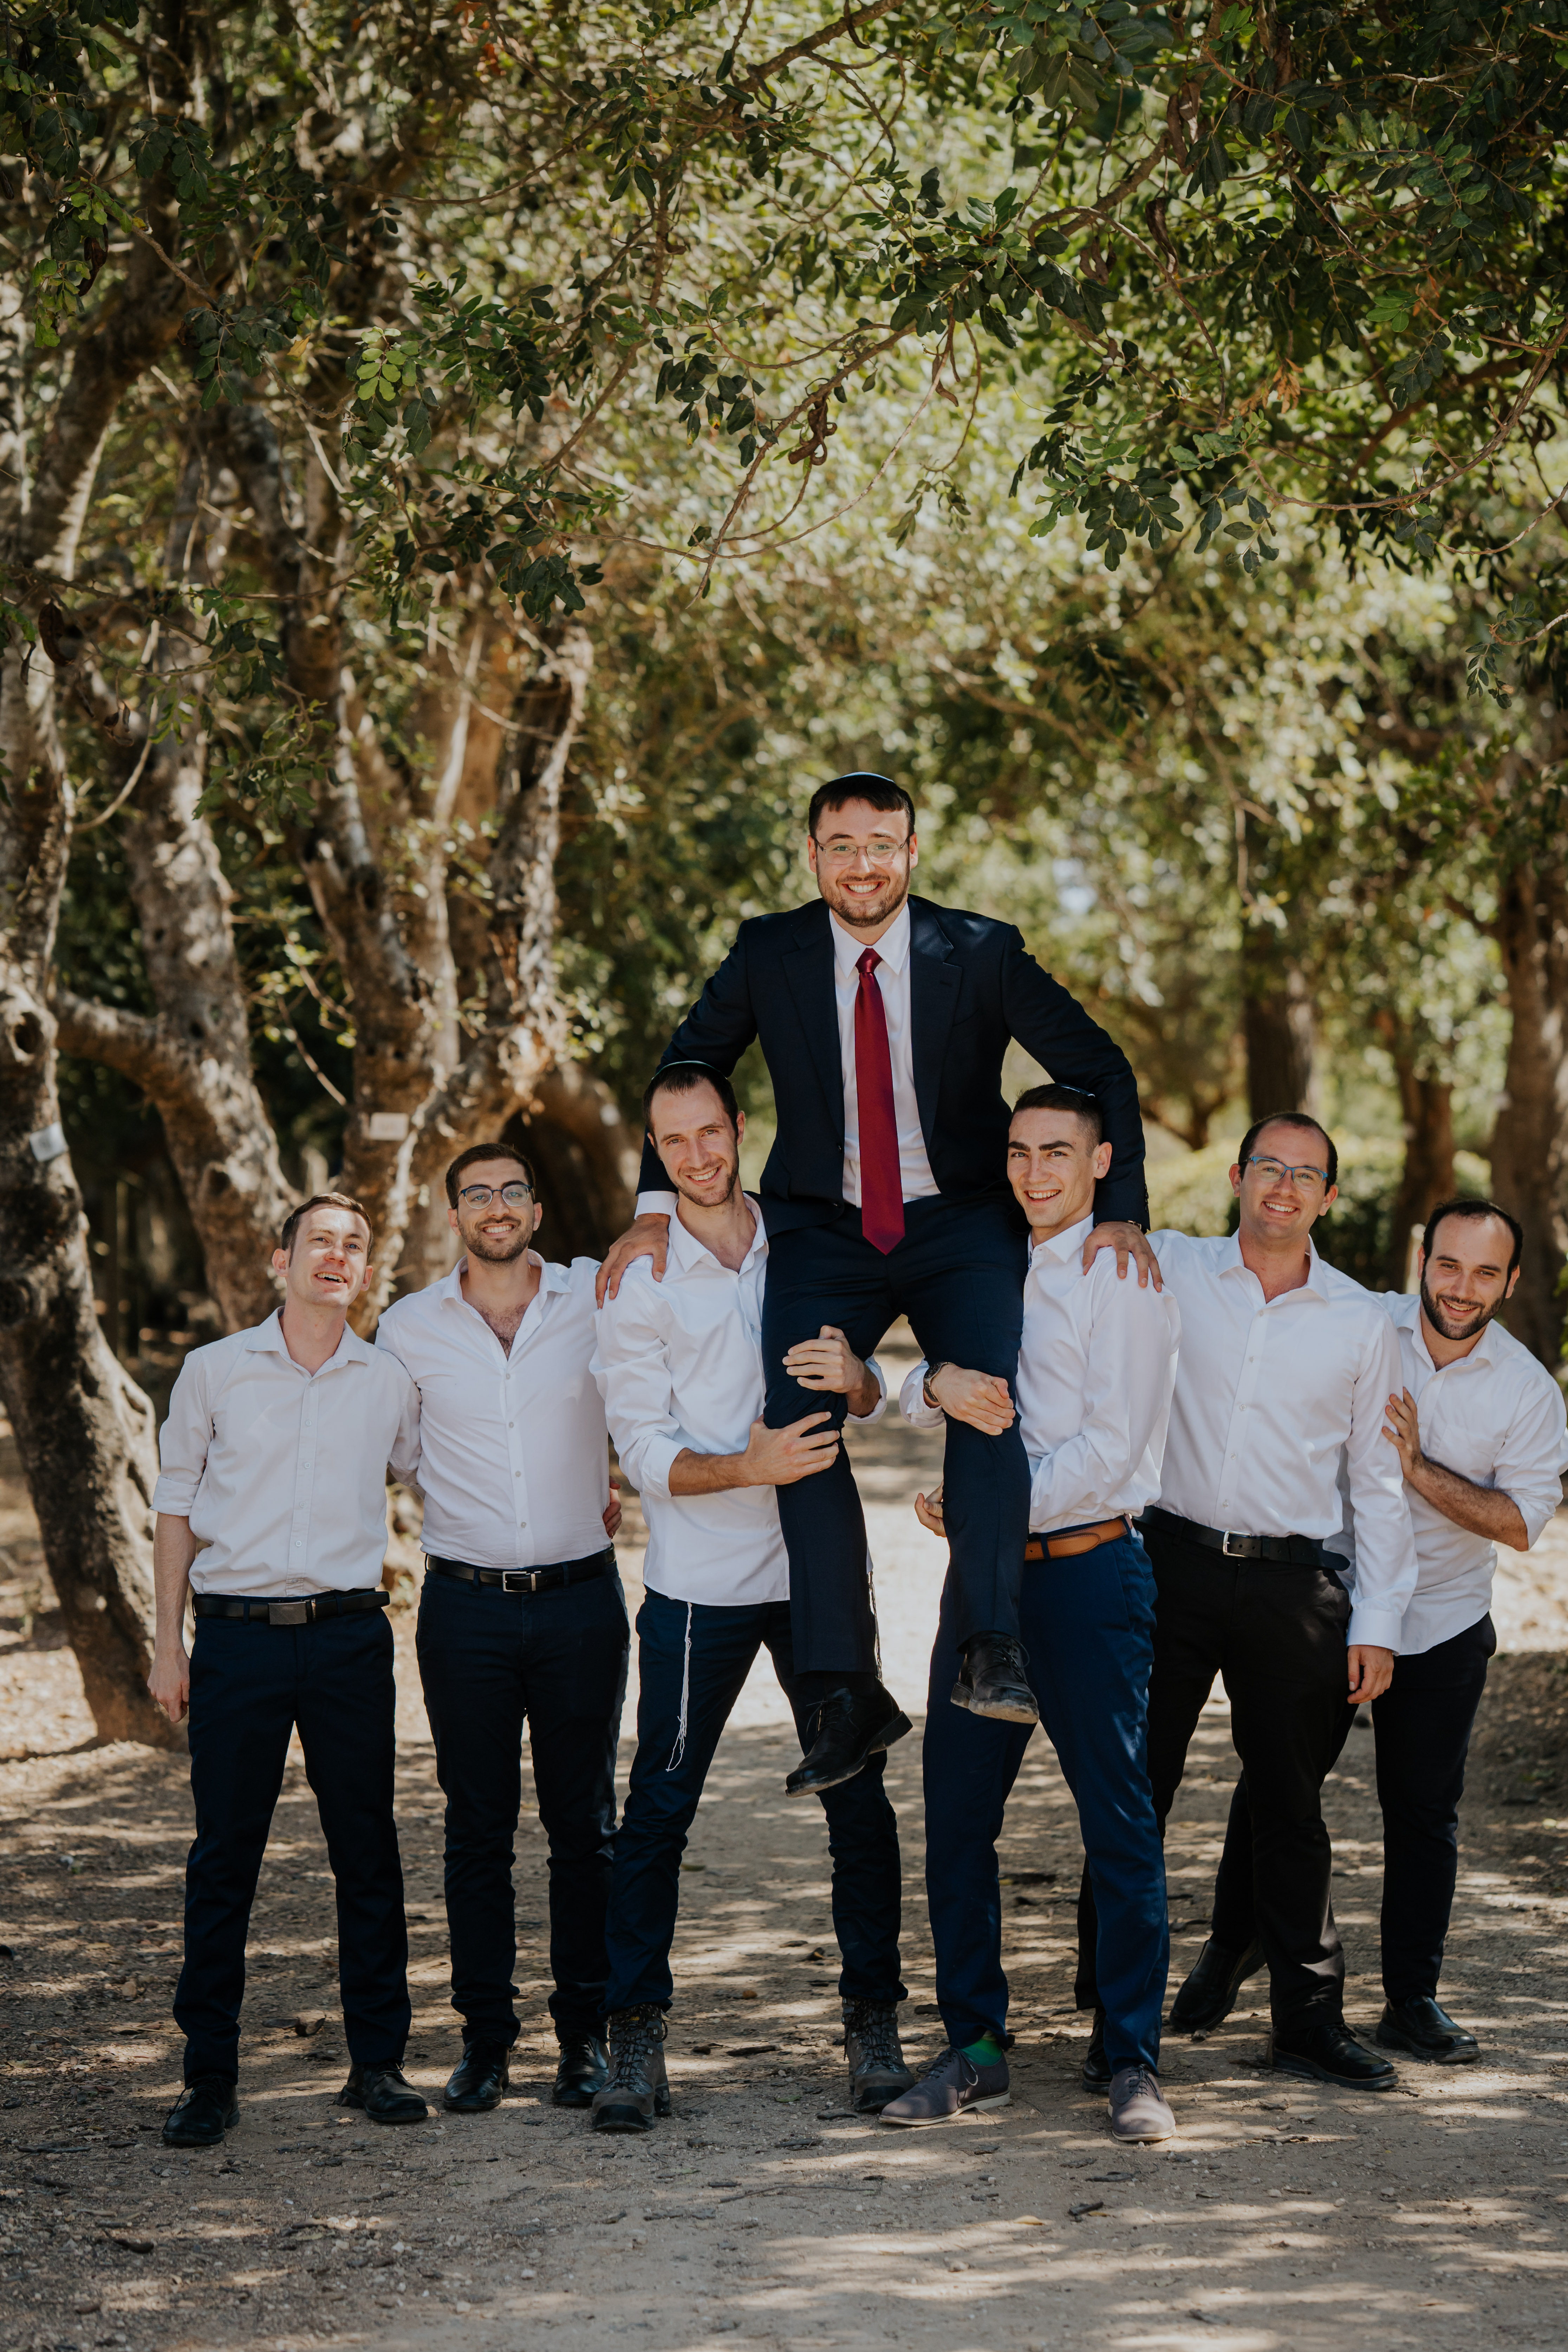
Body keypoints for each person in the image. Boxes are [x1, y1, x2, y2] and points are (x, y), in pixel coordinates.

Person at [597, 774, 1152, 1798]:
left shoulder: (981, 950)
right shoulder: (769, 950)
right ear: (813, 854)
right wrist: (651, 1208)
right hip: (824, 1225)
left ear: (911, 850)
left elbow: (1100, 1064)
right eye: (842, 846)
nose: (863, 865)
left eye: (881, 844)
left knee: (984, 1392)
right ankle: (847, 1689)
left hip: (961, 1221)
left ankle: (992, 1643)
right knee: (799, 1409)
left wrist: (1124, 1211)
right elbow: (687, 1062)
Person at [588, 1062, 911, 2130]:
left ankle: (873, 2023)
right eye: (674, 1141)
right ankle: (635, 2035)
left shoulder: (807, 1239)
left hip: (817, 1580)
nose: (698, 1156)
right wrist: (747, 1467)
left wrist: (863, 1383)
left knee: (858, 1801)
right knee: (660, 1808)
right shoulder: (638, 1280)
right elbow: (642, 1449)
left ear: (739, 1127)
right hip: (700, 1585)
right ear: (656, 1152)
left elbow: (865, 1380)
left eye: (711, 1132)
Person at [1175, 1196, 1568, 2066]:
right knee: (1278, 1784)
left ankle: (1411, 2000)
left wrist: (1418, 1468)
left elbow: (1519, 1522)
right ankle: (1232, 1942)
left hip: (1442, 1619)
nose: (1461, 1288)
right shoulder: (1360, 1324)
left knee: (1423, 1813)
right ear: (1423, 1260)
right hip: (1325, 1600)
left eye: (1485, 1273)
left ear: (1510, 1284)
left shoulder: (1527, 1390)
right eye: (1449, 1265)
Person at [1076, 1114, 1419, 2092]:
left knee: (1291, 1808)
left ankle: (1308, 2022)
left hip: (1292, 1585)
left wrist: (1379, 1622)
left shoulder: (1360, 1322)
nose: (1284, 1186)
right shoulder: (1167, 1267)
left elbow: (1377, 1483)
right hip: (1167, 1564)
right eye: (1270, 1166)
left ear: (1328, 1198)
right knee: (1134, 1792)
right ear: (1237, 1176)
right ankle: (1115, 2015)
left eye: (1306, 1174)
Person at [883, 1085, 1181, 2142]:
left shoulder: (1122, 1276)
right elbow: (907, 1385)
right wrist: (935, 1385)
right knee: (958, 1815)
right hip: (985, 1584)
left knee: (1119, 1821)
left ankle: (1134, 2058)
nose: (1035, 1170)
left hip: (1090, 1576)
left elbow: (1113, 1449)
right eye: (1019, 1151)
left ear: (1101, 1162)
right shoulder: (985, 1259)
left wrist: (984, 1506)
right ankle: (975, 2048)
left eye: (1058, 1151)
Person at [148, 1194, 426, 2146]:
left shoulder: (388, 1381)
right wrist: (167, 1644)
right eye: (319, 1242)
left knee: (368, 1852)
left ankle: (378, 2062)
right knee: (225, 1858)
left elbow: (432, 1473)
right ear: (282, 1260)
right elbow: (176, 1504)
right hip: (238, 1643)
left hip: (349, 1640)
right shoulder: (215, 1371)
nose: (335, 1257)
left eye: (353, 1246)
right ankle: (209, 2077)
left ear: (365, 1270)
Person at [377, 1144, 627, 2116]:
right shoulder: (409, 1328)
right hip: (465, 1610)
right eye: (476, 1194)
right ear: (455, 1216)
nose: (496, 1206)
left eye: (512, 1190)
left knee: (584, 1830)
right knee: (477, 1832)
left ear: (535, 1208)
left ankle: (585, 2039)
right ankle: (485, 2042)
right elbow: (403, 1453)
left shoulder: (593, 1298)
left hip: (580, 1602)